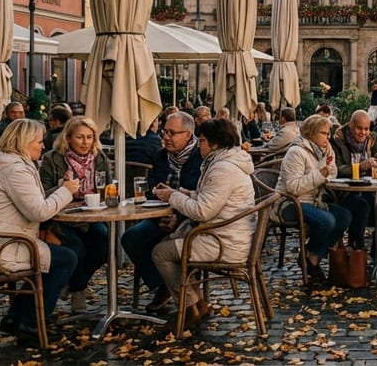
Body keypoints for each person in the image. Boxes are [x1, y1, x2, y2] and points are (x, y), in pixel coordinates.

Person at [0, 119, 80, 338]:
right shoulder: (16, 170)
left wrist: (59, 189)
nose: (43, 146)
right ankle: (31, 321)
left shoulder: (3, 163)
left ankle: (16, 317)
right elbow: (38, 212)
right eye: (38, 141)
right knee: (66, 258)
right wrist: (66, 191)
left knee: (66, 249)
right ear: (25, 142)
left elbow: (31, 202)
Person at [151, 119, 255, 329]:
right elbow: (213, 197)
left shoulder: (222, 169)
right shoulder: (226, 163)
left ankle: (190, 307)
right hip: (230, 234)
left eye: (203, 140)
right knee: (168, 240)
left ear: (215, 143)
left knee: (160, 252)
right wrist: (186, 193)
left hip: (224, 243)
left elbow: (203, 210)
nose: (200, 145)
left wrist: (173, 196)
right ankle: (198, 304)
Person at [123, 111, 205, 312]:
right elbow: (152, 188)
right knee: (131, 238)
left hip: (190, 217)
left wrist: (177, 217)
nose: (165, 137)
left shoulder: (200, 157)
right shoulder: (160, 156)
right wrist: (160, 212)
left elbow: (201, 195)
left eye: (172, 133)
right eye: (164, 132)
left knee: (164, 244)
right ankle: (163, 285)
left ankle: (177, 289)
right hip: (158, 216)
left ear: (188, 134)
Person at [38, 116, 112, 313]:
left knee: (105, 243)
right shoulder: (52, 159)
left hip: (91, 215)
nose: (86, 142)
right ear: (68, 138)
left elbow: (108, 188)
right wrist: (62, 188)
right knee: (76, 248)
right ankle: (77, 290)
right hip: (59, 217)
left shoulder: (100, 158)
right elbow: (41, 194)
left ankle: (74, 285)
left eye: (89, 137)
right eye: (80, 137)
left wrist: (110, 194)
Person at [275, 114, 353, 281]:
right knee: (327, 221)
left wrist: (327, 175)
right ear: (311, 133)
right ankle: (312, 260)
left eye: (328, 133)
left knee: (345, 216)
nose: (328, 137)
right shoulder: (296, 152)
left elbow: (332, 171)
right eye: (324, 133)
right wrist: (320, 175)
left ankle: (311, 255)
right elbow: (292, 187)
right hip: (290, 203)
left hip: (314, 200)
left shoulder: (325, 150)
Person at [329, 111, 377, 249]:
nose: (363, 132)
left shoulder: (373, 139)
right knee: (361, 205)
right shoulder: (337, 140)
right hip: (343, 193)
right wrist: (359, 167)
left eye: (366, 128)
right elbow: (336, 169)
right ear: (350, 125)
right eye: (359, 128)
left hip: (370, 189)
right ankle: (357, 248)